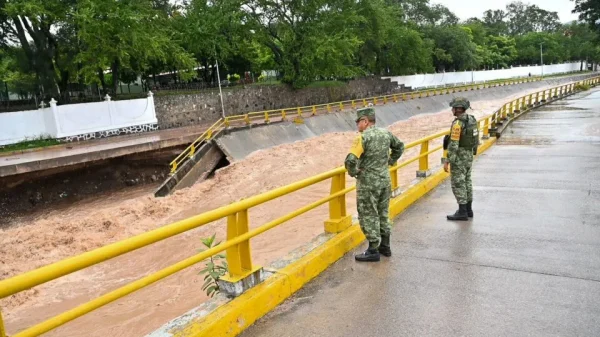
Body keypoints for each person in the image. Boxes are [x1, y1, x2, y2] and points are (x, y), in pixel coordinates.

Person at [344, 108, 405, 262]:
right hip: (384, 180)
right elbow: (400, 147)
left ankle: (373, 250)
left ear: (365, 121)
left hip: (368, 183)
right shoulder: (386, 133)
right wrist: (390, 161)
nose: (357, 125)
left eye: (358, 121)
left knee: (368, 214)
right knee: (383, 212)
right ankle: (385, 246)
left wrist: (355, 172)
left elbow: (350, 160)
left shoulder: (362, 137)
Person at [443, 97, 479, 221]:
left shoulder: (458, 124)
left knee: (458, 184)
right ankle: (469, 210)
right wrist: (473, 152)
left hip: (459, 157)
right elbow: (475, 138)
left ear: (458, 109)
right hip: (469, 155)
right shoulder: (471, 120)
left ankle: (462, 211)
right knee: (467, 182)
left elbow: (453, 144)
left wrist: (448, 161)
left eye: (453, 108)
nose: (452, 110)